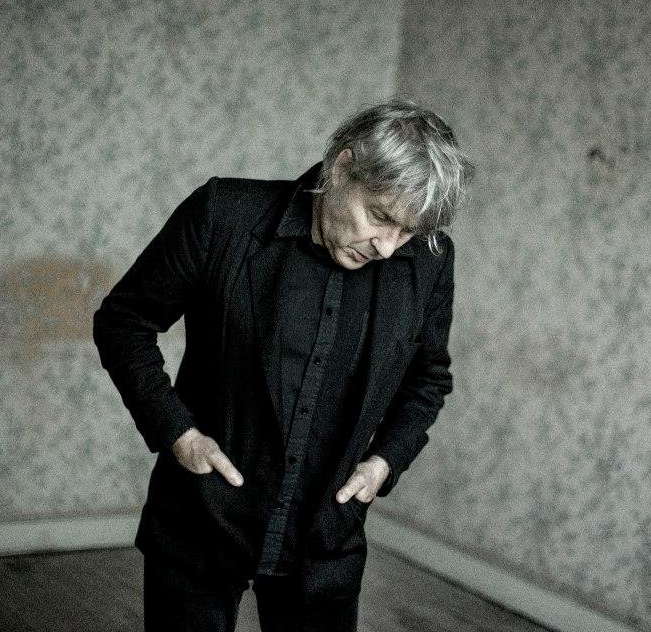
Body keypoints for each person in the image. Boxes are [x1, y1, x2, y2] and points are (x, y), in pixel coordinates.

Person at [92, 97, 474, 631]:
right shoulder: (224, 213)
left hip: (327, 534)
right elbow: (124, 322)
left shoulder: (430, 260)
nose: (388, 248)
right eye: (381, 216)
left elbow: (428, 378)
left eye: (406, 231)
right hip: (202, 515)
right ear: (342, 167)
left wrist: (385, 462)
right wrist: (178, 434)